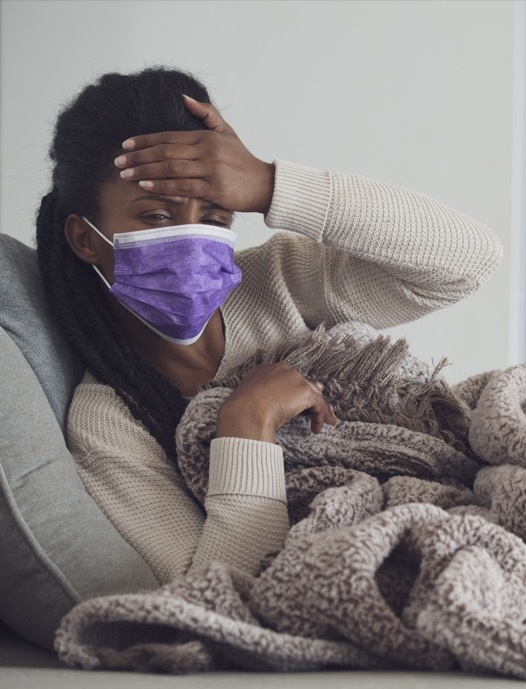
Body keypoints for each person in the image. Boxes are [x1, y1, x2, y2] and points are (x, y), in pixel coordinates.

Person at [36, 67, 502, 585]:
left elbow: (469, 260)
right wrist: (247, 422)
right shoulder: (110, 424)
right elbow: (214, 588)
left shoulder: (280, 280)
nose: (191, 239)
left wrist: (269, 183)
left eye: (214, 218)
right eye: (157, 217)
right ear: (85, 238)